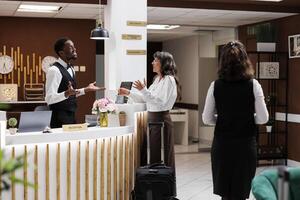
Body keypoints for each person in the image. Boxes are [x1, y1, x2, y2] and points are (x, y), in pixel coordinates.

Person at [202, 41, 269, 200]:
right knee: (240, 192)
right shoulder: (254, 85)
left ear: (222, 62)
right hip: (245, 146)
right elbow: (263, 118)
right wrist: (247, 117)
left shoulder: (215, 85)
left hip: (222, 145)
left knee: (225, 193)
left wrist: (223, 118)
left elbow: (207, 118)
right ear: (245, 60)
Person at [118, 51, 179, 171]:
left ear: (163, 63)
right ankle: (154, 182)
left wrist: (144, 90)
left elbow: (161, 101)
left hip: (161, 118)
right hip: (153, 118)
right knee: (154, 151)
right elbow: (146, 99)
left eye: (155, 60)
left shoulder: (169, 80)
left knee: (164, 153)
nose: (152, 62)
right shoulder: (157, 79)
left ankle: (165, 184)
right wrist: (128, 93)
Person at [45, 37, 105, 128]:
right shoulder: (54, 70)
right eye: (71, 47)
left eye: (74, 47)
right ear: (61, 53)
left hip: (71, 116)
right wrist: (66, 93)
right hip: (58, 118)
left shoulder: (72, 69)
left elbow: (72, 93)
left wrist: (86, 89)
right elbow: (49, 98)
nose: (75, 49)